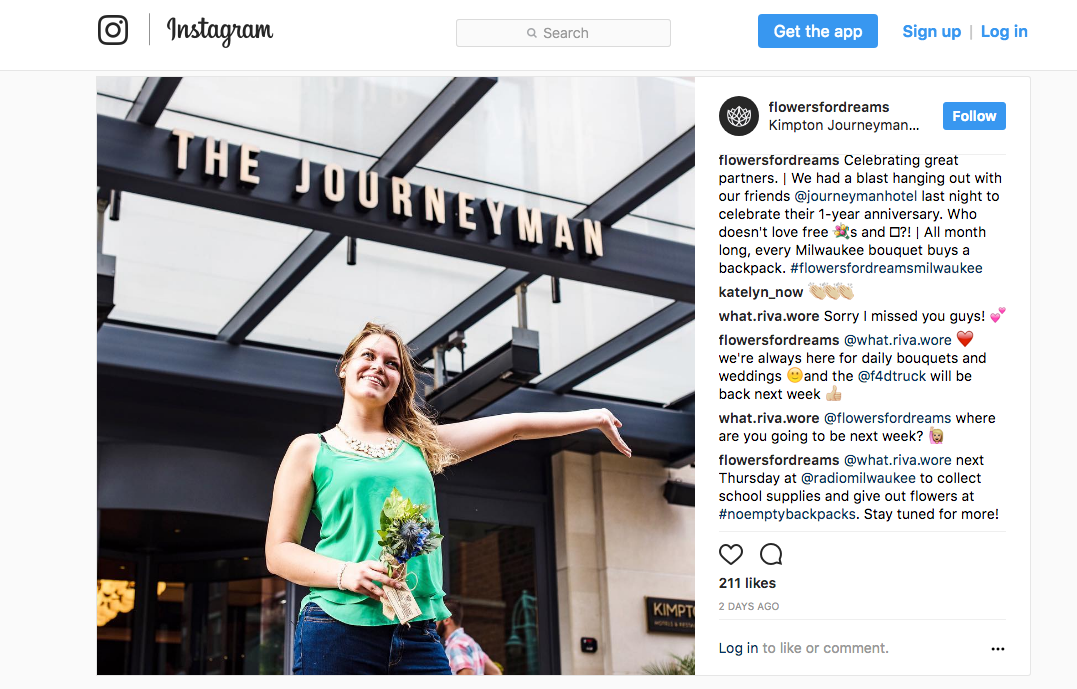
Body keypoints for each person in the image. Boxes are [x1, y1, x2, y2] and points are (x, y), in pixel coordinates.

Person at [265, 322, 631, 675]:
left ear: (398, 385)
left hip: (418, 631)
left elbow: (514, 428)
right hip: (337, 627)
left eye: (392, 364)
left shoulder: (420, 447)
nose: (379, 367)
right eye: (368, 356)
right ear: (345, 367)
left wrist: (593, 416)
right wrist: (347, 573)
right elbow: (278, 550)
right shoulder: (312, 449)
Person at [438, 599, 501, 675]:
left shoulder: (456, 645)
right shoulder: (472, 643)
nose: (435, 622)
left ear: (446, 620)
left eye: (437, 618)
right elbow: (496, 672)